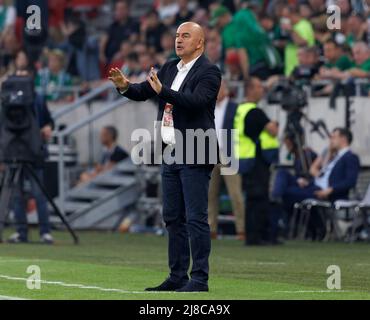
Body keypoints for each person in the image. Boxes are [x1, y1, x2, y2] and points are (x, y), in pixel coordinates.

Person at [109, 22, 221, 292]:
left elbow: (195, 102)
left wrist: (163, 91)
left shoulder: (210, 71)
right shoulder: (170, 67)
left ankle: (200, 279)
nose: (178, 40)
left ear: (200, 43)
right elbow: (144, 91)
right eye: (177, 35)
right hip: (170, 150)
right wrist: (125, 87)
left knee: (195, 217)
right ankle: (177, 276)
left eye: (186, 36)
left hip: (196, 147)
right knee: (172, 216)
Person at [8, 70, 54, 244]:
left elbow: (49, 121)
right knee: (15, 194)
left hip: (34, 151)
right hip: (14, 151)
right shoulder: (7, 100)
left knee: (38, 193)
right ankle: (21, 233)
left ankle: (45, 232)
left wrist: (48, 127)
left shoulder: (38, 99)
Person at [234, 77, 279, 245]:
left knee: (252, 199)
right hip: (256, 160)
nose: (262, 90)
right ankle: (257, 236)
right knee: (258, 199)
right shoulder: (255, 112)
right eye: (259, 87)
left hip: (245, 159)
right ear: (250, 90)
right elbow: (272, 131)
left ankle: (254, 235)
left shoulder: (240, 110)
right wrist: (274, 124)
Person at [279, 128, 360, 208]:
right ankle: (275, 198)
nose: (331, 140)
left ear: (343, 139)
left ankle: (275, 201)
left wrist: (330, 190)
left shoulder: (350, 157)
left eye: (334, 137)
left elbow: (350, 181)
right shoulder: (335, 156)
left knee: (286, 193)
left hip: (323, 192)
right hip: (312, 185)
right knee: (283, 174)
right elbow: (320, 172)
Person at [208, 80, 245, 240]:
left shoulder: (235, 108)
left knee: (235, 194)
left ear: (226, 90)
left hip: (229, 154)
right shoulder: (208, 107)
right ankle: (211, 228)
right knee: (210, 194)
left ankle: (241, 229)